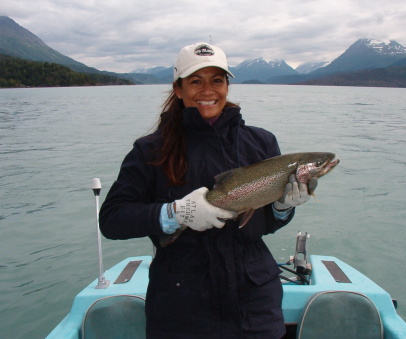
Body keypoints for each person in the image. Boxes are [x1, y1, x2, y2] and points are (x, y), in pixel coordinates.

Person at [99, 42, 315, 339]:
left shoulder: (261, 142)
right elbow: (112, 219)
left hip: (254, 306)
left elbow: (261, 226)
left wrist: (282, 209)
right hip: (181, 307)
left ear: (227, 85)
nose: (207, 90)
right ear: (178, 88)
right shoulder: (150, 149)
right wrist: (175, 213)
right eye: (196, 81)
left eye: (217, 80)